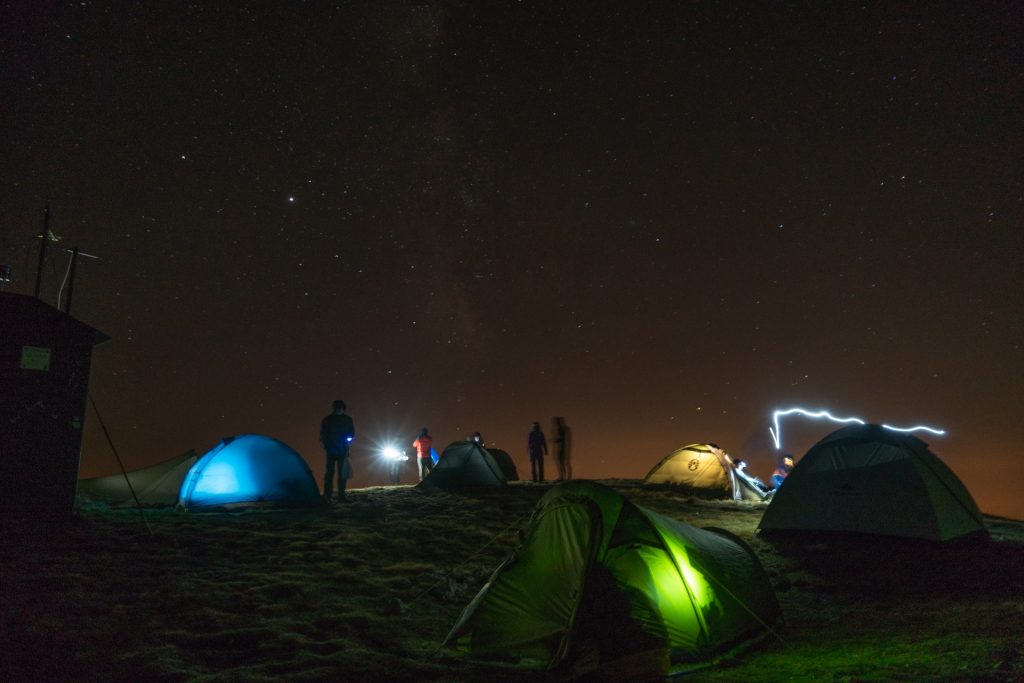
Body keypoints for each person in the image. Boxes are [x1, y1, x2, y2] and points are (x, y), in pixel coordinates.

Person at [320, 399, 355, 502]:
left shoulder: (328, 419)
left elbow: (351, 433)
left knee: (339, 473)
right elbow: (323, 435)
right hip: (335, 450)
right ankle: (331, 495)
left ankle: (336, 495)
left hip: (338, 450)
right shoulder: (342, 419)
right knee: (332, 473)